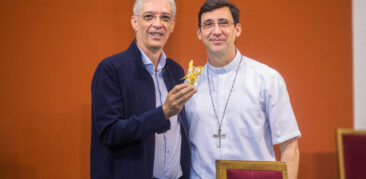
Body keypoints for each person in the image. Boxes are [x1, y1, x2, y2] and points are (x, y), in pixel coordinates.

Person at [185, 0, 301, 179]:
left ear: (237, 29)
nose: (216, 31)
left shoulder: (267, 79)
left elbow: (289, 146)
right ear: (199, 33)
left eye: (223, 23)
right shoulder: (189, 84)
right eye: (208, 24)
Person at [90, 0, 196, 178]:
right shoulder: (111, 69)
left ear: (172, 25)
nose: (157, 24)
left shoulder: (176, 70)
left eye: (165, 18)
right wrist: (162, 113)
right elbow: (110, 132)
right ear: (134, 22)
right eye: (149, 17)